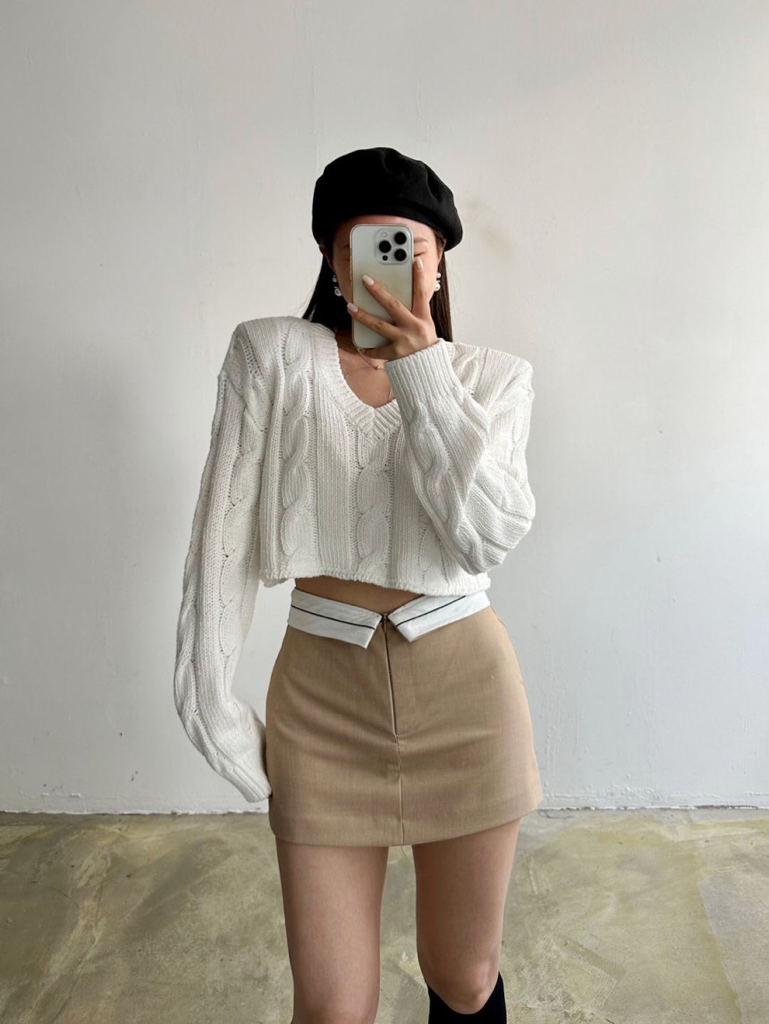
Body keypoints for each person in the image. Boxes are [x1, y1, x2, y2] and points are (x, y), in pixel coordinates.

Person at [173, 146, 543, 1023]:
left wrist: (423, 372)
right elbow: (218, 544)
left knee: (463, 976)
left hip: (466, 689)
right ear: (331, 263)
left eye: (407, 246)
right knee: (334, 1006)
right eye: (361, 246)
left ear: (438, 261)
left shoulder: (493, 379)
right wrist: (211, 705)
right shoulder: (270, 356)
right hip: (322, 695)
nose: (386, 265)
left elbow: (485, 535)